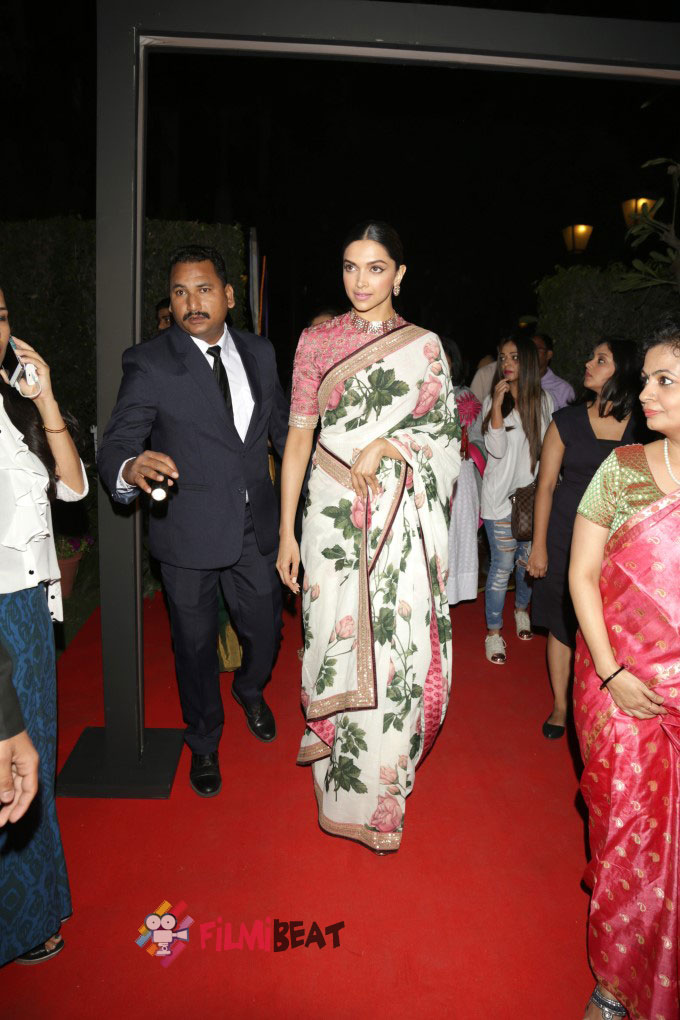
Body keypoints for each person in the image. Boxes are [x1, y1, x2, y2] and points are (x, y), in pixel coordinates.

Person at [277, 221, 461, 853]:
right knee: (334, 636)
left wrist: (393, 444)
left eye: (376, 268)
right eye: (351, 267)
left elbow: (445, 439)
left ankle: (383, 795)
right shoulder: (315, 341)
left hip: (399, 516)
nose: (360, 281)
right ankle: (338, 789)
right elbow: (299, 433)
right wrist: (285, 531)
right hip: (329, 513)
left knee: (394, 646)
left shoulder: (426, 346)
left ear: (399, 275)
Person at [98, 245, 289, 798]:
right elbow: (118, 442)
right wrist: (132, 465)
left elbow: (281, 431)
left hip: (257, 525)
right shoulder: (151, 361)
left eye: (203, 289)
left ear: (228, 296)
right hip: (186, 533)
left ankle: (251, 690)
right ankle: (204, 740)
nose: (191, 303)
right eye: (180, 291)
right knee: (195, 645)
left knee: (265, 630)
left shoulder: (259, 352)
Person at [569, 324, 680, 1020]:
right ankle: (614, 984)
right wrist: (611, 675)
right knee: (625, 840)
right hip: (623, 695)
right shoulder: (625, 469)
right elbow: (582, 576)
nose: (645, 391)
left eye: (665, 379)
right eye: (646, 378)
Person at [0, 287, 88, 966]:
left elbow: (73, 488)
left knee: (34, 768)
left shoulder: (11, 404)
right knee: (8, 765)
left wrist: (45, 400)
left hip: (29, 608)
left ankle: (29, 916)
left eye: (0, 313)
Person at [528, 339, 643, 739]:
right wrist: (538, 545)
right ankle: (561, 706)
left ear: (623, 370)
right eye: (591, 355)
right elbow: (544, 486)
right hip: (564, 533)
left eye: (601, 359)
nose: (588, 363)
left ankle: (597, 702)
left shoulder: (643, 426)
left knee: (608, 625)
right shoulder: (565, 421)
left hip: (620, 542)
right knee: (562, 623)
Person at [481, 335, 553, 664]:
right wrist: (496, 406)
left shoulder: (544, 401)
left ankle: (521, 611)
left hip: (532, 500)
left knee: (527, 565)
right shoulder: (492, 401)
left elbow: (549, 454)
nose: (507, 364)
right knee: (501, 569)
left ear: (527, 362)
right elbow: (495, 451)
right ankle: (494, 633)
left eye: (514, 357)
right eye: (502, 357)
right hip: (499, 502)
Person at [439, 337, 485, 605]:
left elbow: (479, 440)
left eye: (443, 356)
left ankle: (452, 592)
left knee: (456, 535)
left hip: (460, 474)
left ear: (453, 361)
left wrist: (464, 448)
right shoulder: (419, 393)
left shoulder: (464, 397)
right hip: (427, 475)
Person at [532, 331, 575, 411]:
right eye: (529, 350)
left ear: (548, 355)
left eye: (537, 349)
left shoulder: (563, 389)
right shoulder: (516, 382)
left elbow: (568, 421)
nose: (531, 354)